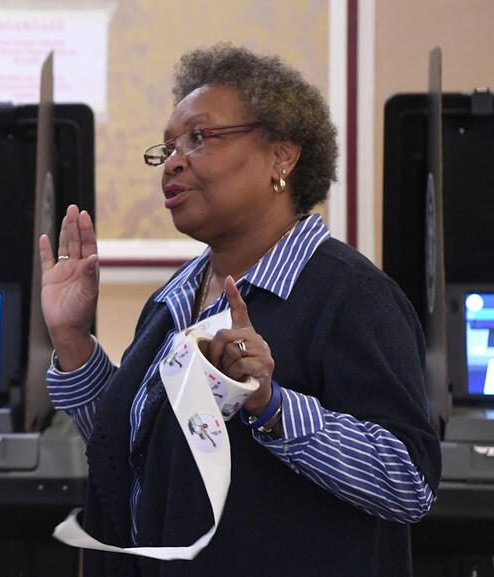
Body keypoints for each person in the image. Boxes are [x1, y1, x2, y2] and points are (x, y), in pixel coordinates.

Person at [40, 43, 441, 576]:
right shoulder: (175, 298)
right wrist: (71, 340)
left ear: (283, 155)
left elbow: (407, 483)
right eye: (166, 149)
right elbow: (132, 453)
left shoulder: (351, 297)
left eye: (200, 138)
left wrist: (271, 406)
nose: (173, 162)